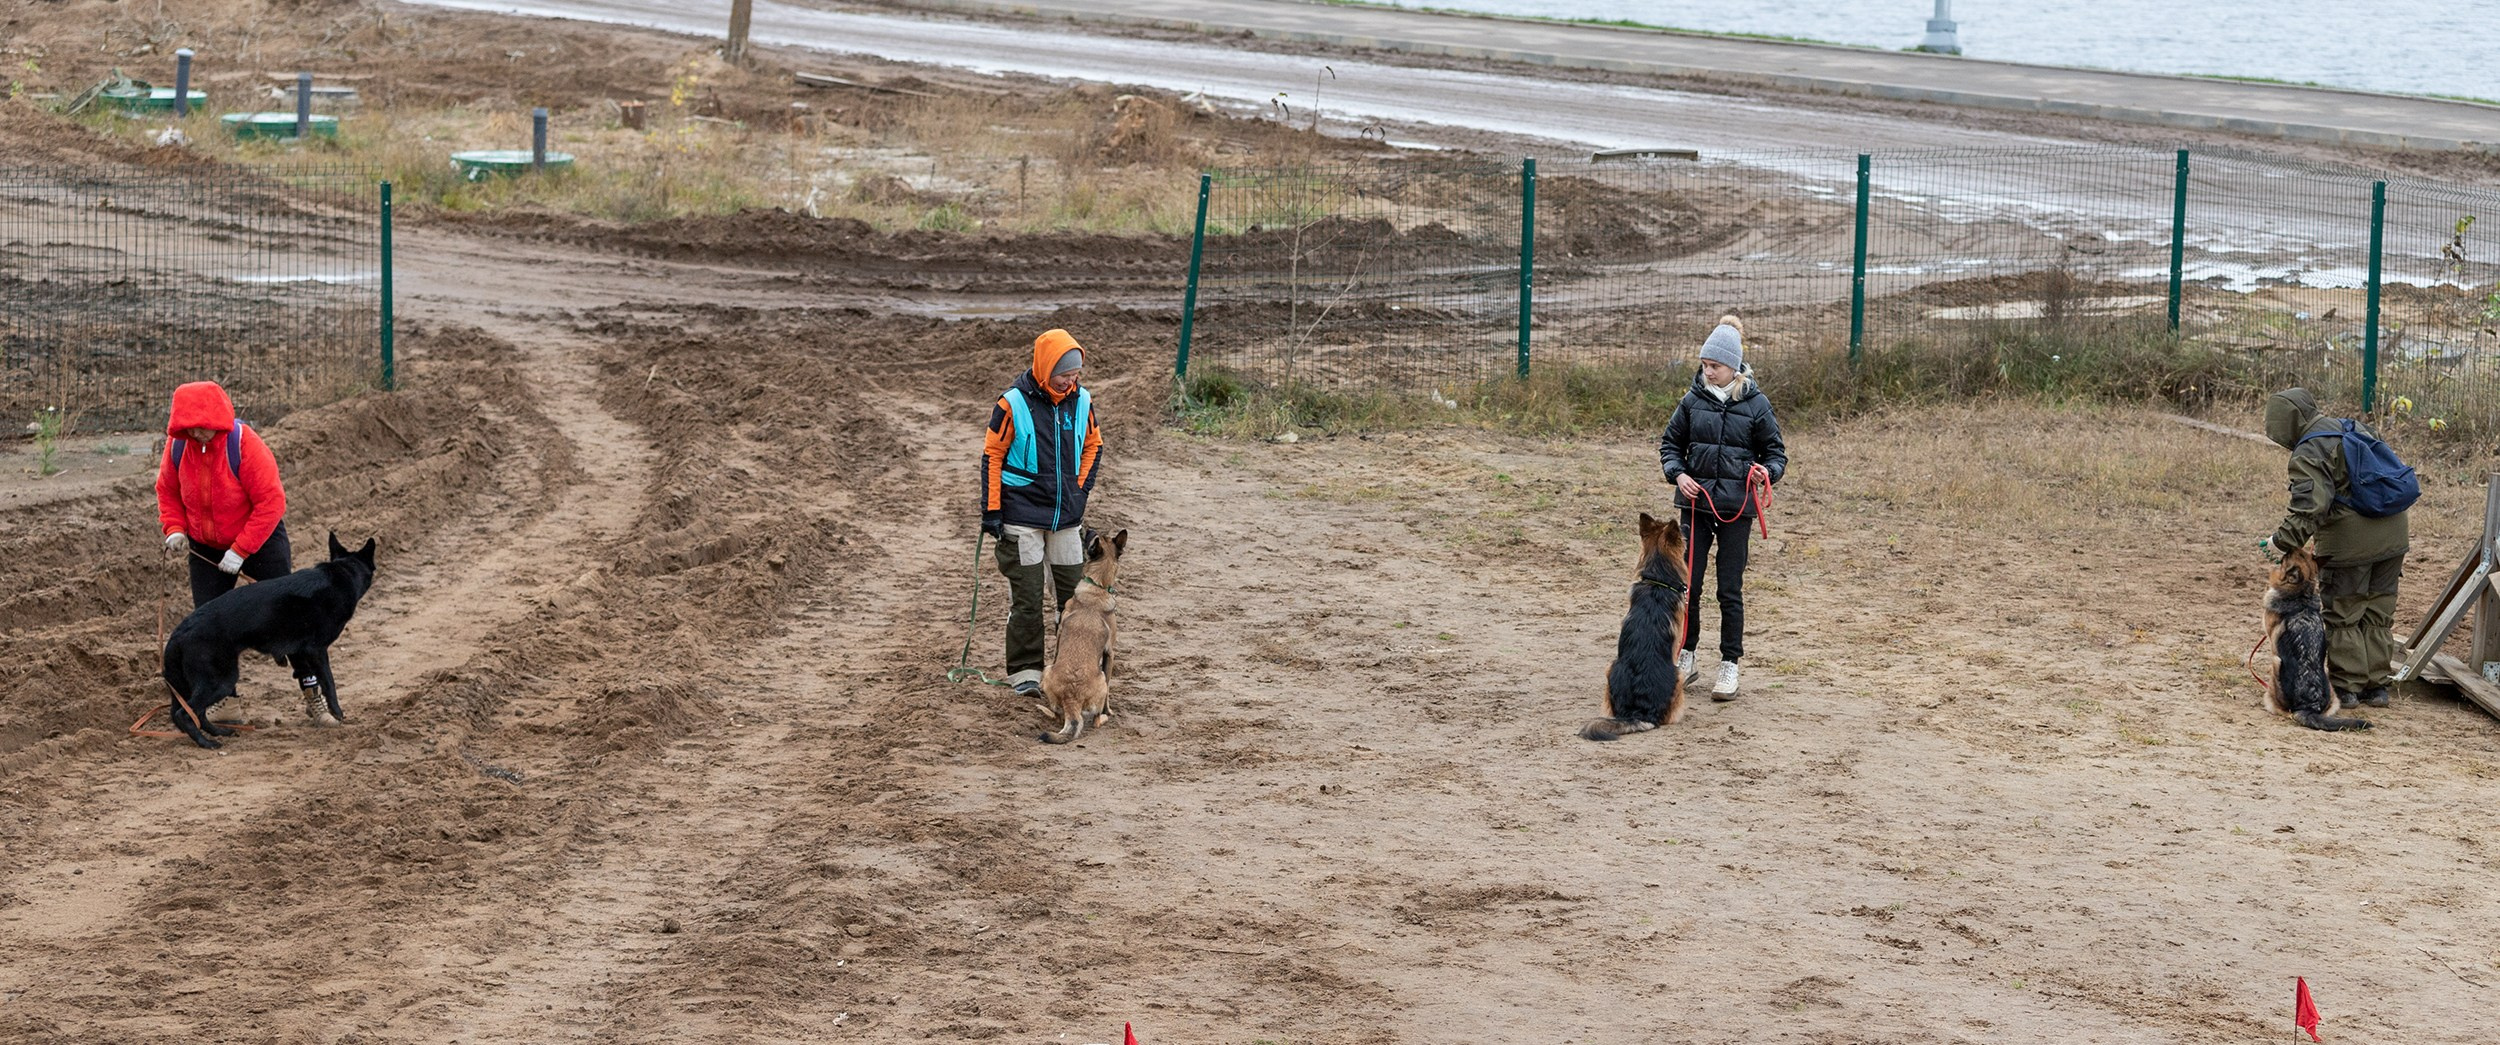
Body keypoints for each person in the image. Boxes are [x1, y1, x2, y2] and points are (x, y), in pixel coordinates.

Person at [1657, 315, 1786, 701]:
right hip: (1695, 508)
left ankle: (1730, 663)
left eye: (1713, 365)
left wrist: (1768, 473)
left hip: (1736, 511)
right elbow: (1669, 446)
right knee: (1688, 586)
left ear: (1733, 365)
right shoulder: (1692, 401)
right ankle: (1687, 655)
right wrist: (1678, 475)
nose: (1706, 371)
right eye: (1704, 365)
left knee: (1729, 589)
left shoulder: (1757, 405)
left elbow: (1776, 453)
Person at [2260, 387, 2408, 708]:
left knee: (2344, 613)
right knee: (2378, 612)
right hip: (2395, 534)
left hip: (2350, 543)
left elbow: (2310, 507)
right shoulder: (2355, 428)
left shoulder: (2310, 449)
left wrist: (2280, 542)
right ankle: (2377, 687)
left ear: (2287, 422)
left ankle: (2349, 688)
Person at [979, 329, 1104, 696]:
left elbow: (1094, 444)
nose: (1071, 381)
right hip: (1021, 518)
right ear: (1045, 367)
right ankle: (1025, 675)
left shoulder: (1081, 402)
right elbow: (992, 456)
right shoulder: (1012, 403)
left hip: (1066, 518)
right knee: (1028, 600)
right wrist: (992, 512)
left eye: (1076, 374)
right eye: (1064, 374)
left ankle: (1074, 670)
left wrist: (1080, 492)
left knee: (1076, 600)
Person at [156, 380, 290, 608]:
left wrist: (240, 551)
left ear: (215, 419)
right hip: (206, 549)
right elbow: (167, 489)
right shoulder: (177, 446)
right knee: (209, 622)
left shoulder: (244, 445)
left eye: (200, 425)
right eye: (189, 426)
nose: (195, 432)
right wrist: (175, 528)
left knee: (278, 615)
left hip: (258, 543)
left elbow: (271, 502)